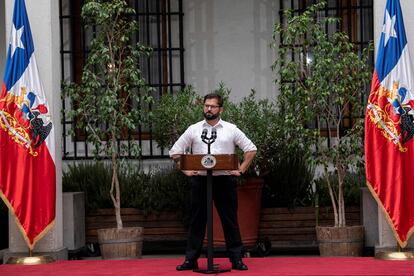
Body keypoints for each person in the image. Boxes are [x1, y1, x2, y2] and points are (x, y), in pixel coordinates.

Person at [169, 93, 257, 271]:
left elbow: (251, 149)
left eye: (212, 106)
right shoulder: (194, 129)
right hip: (201, 181)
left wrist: (241, 169)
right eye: (206, 105)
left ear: (220, 109)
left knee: (230, 220)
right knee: (196, 221)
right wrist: (185, 169)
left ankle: (236, 259)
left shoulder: (231, 129)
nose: (208, 109)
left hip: (224, 181)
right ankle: (191, 260)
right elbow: (175, 152)